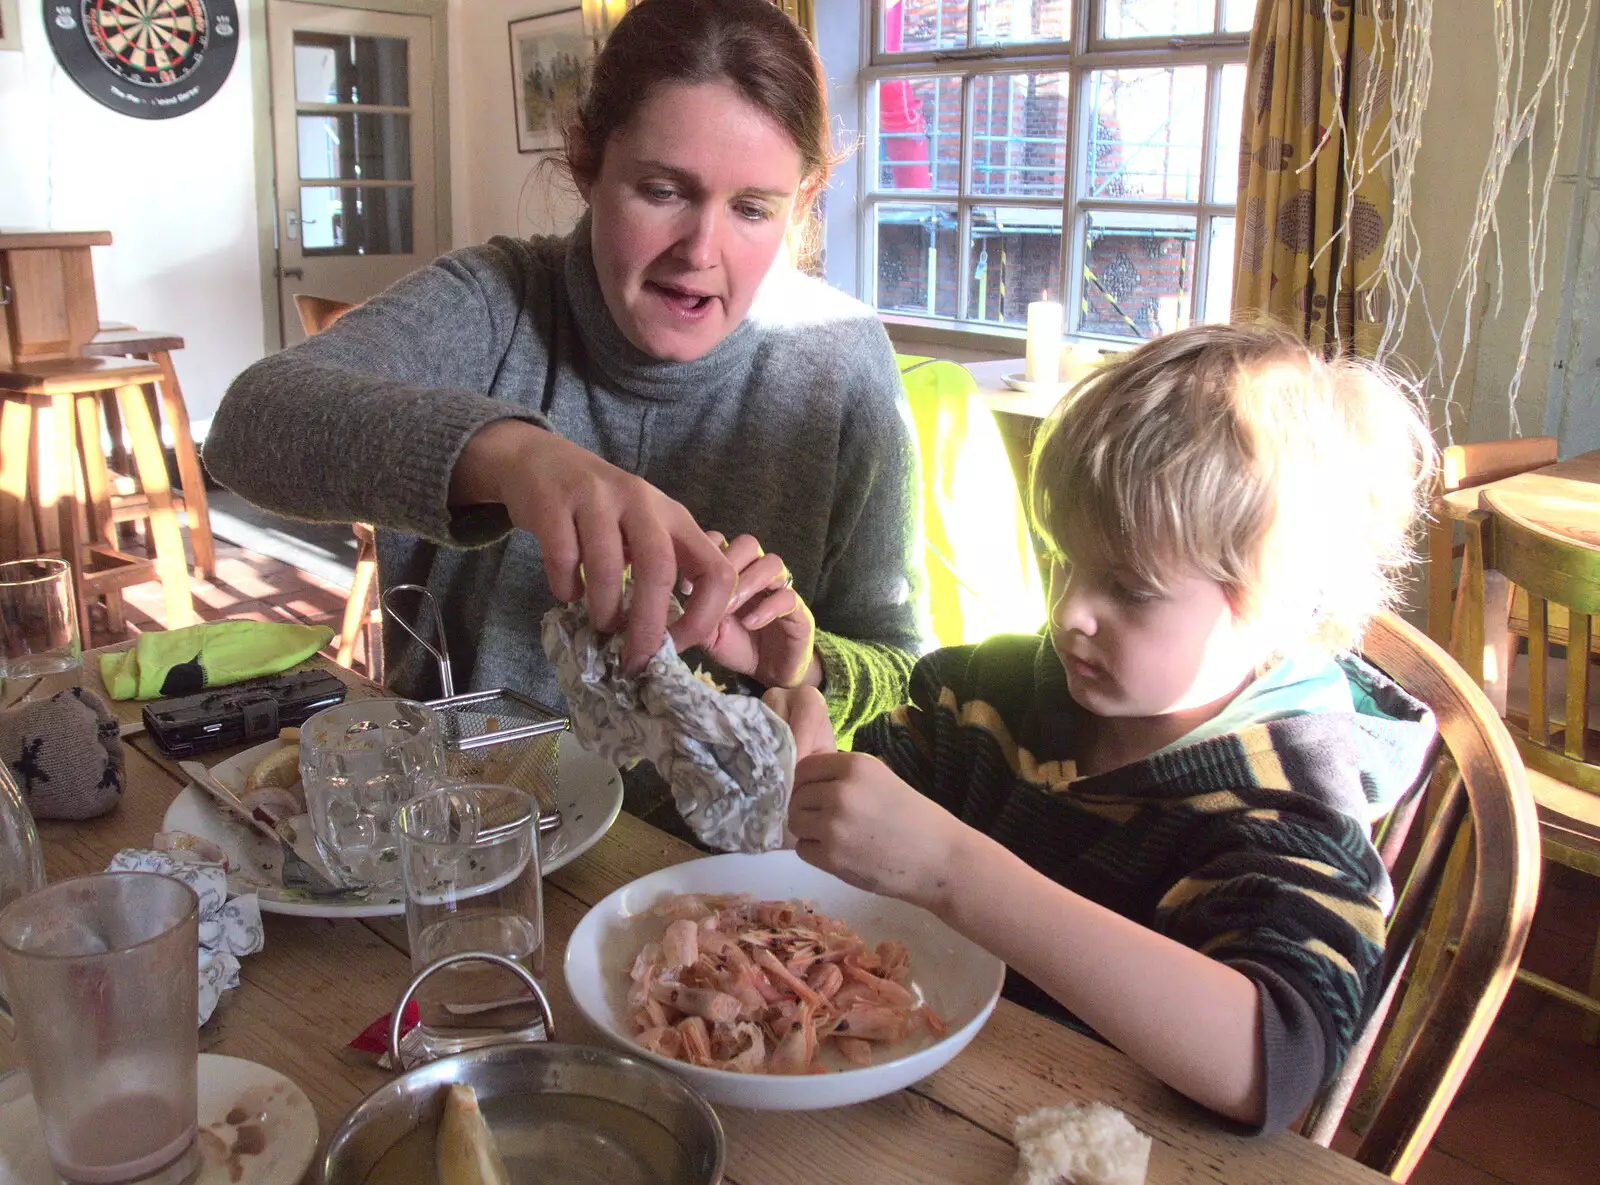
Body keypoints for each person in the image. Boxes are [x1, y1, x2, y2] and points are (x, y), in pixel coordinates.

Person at [764, 322, 1440, 1133]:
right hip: (930, 1106)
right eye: (1062, 559)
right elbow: (861, 847)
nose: (1070, 611)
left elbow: (1268, 1059)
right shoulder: (986, 695)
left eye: (1130, 587)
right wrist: (801, 759)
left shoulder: (1291, 800)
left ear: (1277, 608)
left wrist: (951, 866)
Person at [204, 0, 922, 736]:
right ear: (586, 162)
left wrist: (802, 665)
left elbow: (905, 669)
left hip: (722, 848)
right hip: (469, 816)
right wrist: (512, 457)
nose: (701, 251)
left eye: (751, 208)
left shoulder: (843, 359)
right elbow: (248, 424)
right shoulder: (492, 305)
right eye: (663, 191)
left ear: (800, 202)